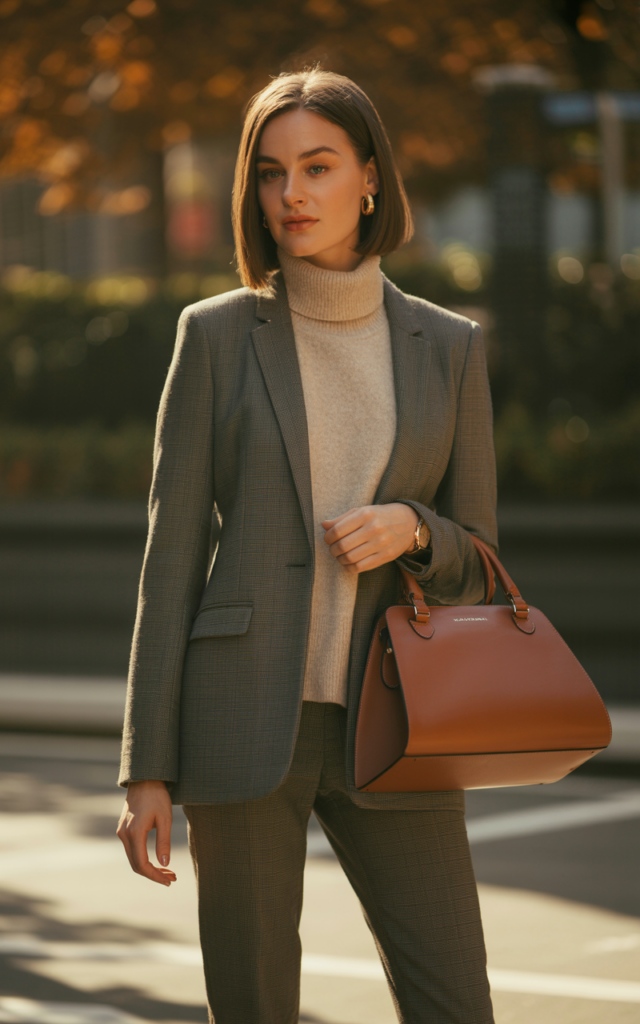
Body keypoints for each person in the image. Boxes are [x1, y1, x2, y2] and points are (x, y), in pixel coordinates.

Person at [117, 68, 497, 1024]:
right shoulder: (213, 336)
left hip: (400, 727)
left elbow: (482, 558)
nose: (292, 194)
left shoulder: (448, 346)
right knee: (252, 1008)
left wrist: (416, 529)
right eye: (271, 173)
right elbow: (170, 561)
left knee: (456, 1000)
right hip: (242, 721)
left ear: (369, 177)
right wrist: (146, 767)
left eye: (318, 167)